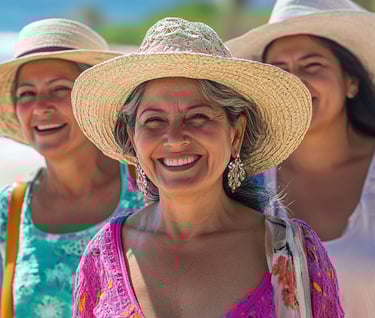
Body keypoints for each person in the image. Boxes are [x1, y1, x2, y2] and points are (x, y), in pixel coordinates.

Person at [71, 17, 343, 318]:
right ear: (133, 139)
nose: (174, 138)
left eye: (198, 117)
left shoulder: (295, 253)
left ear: (236, 133)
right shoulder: (103, 256)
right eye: (154, 121)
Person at [226, 0, 375, 317]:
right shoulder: (242, 182)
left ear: (351, 82)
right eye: (280, 71)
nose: (295, 82)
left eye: (312, 66)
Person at [0, 18, 143, 317]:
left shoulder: (149, 187)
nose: (40, 107)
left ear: (95, 101)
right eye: (26, 94)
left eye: (59, 89)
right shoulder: (8, 211)